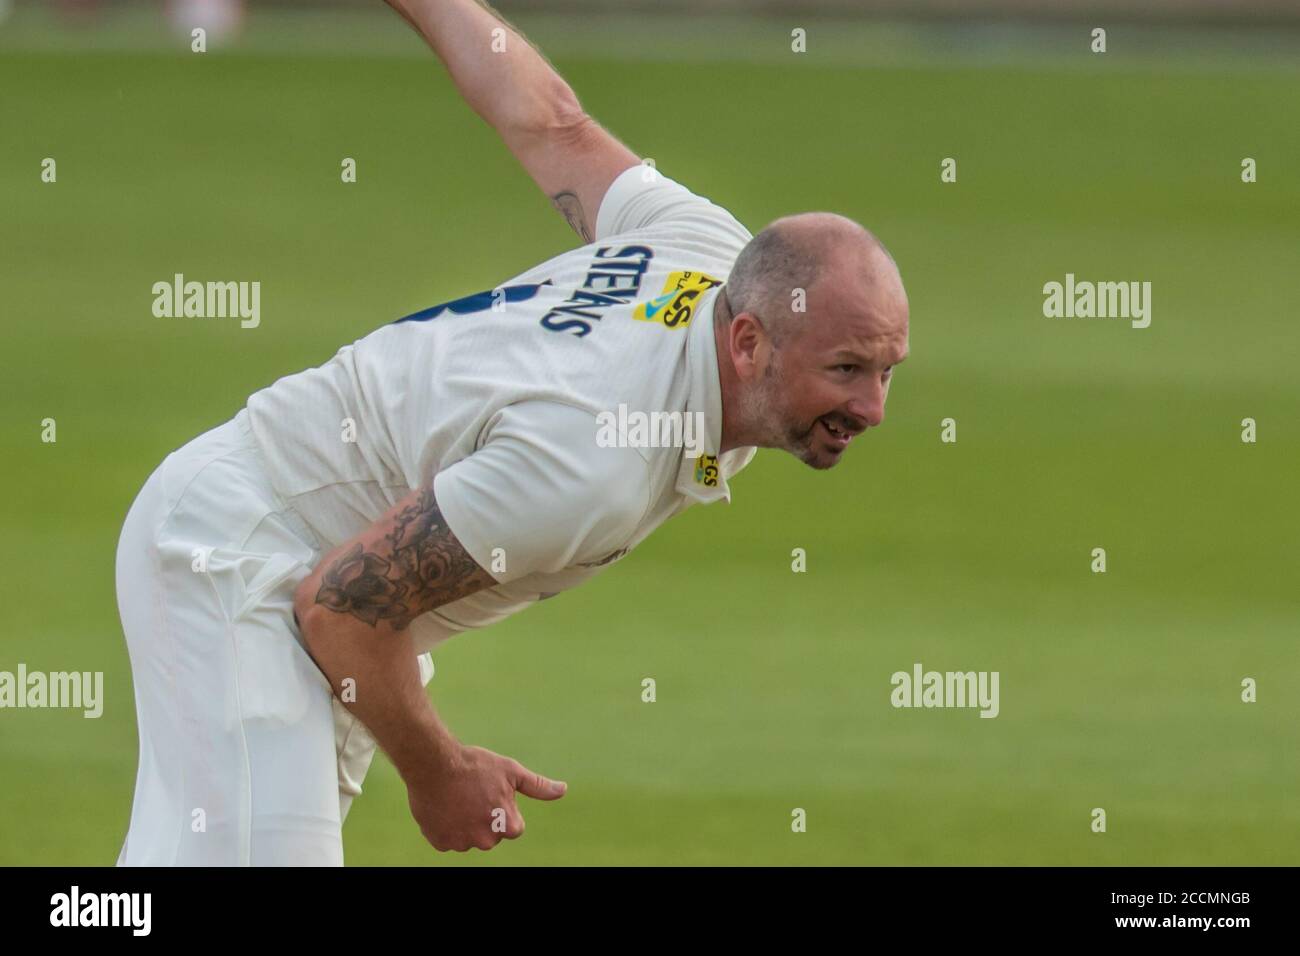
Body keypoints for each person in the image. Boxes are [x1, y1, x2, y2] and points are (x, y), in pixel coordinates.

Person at [114, 0, 909, 865]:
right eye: (846, 370)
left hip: (332, 587)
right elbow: (340, 610)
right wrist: (441, 773)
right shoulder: (594, 457)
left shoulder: (706, 253)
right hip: (244, 552)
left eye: (886, 370)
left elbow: (549, 121)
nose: (872, 408)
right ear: (747, 341)